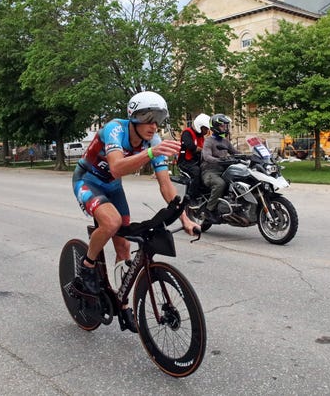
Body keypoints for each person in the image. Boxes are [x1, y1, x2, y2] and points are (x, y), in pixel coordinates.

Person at [72, 91, 200, 327]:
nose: (153, 125)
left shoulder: (153, 141)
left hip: (111, 187)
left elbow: (166, 186)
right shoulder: (115, 129)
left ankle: (122, 303)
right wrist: (150, 153)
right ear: (134, 116)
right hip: (87, 181)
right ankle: (88, 265)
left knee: (124, 245)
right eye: (148, 118)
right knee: (112, 223)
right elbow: (117, 168)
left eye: (158, 119)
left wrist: (185, 218)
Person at [200, 114, 239, 223]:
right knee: (220, 184)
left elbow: (235, 152)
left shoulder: (225, 141)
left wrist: (250, 155)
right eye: (223, 126)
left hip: (224, 170)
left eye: (226, 126)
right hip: (210, 171)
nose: (225, 128)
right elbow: (206, 156)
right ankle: (209, 210)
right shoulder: (209, 141)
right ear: (215, 126)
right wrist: (219, 160)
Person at [177, 113, 210, 196]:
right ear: (199, 126)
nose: (206, 131)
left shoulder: (201, 136)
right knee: (196, 172)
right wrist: (203, 150)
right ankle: (192, 196)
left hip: (196, 161)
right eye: (205, 129)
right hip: (186, 162)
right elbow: (191, 146)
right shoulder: (187, 132)